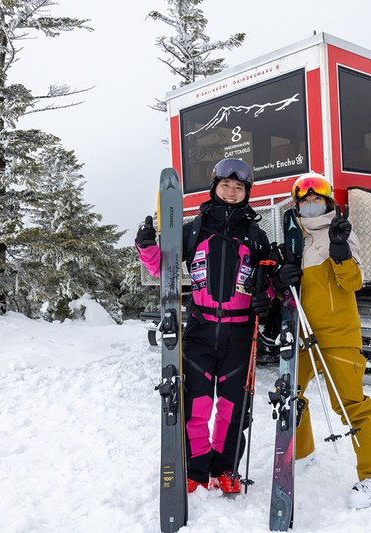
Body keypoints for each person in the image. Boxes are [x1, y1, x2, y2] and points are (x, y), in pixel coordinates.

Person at [136, 158, 273, 494]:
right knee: (196, 405)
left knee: (232, 410)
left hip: (239, 335)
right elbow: (162, 270)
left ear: (246, 192)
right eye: (225, 185)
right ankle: (196, 471)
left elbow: (268, 283)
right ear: (214, 187)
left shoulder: (256, 237)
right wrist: (147, 246)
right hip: (200, 330)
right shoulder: (193, 230)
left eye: (238, 187)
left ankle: (225, 469)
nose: (231, 191)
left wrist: (266, 299)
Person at [273, 172, 371, 509]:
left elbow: (353, 283)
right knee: (290, 395)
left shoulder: (339, 232)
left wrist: (341, 252)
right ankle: (301, 454)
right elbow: (291, 291)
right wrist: (281, 278)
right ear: (298, 203)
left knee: (350, 403)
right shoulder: (292, 236)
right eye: (304, 199)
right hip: (301, 332)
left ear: (327, 201)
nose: (311, 203)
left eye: (317, 198)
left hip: (337, 334)